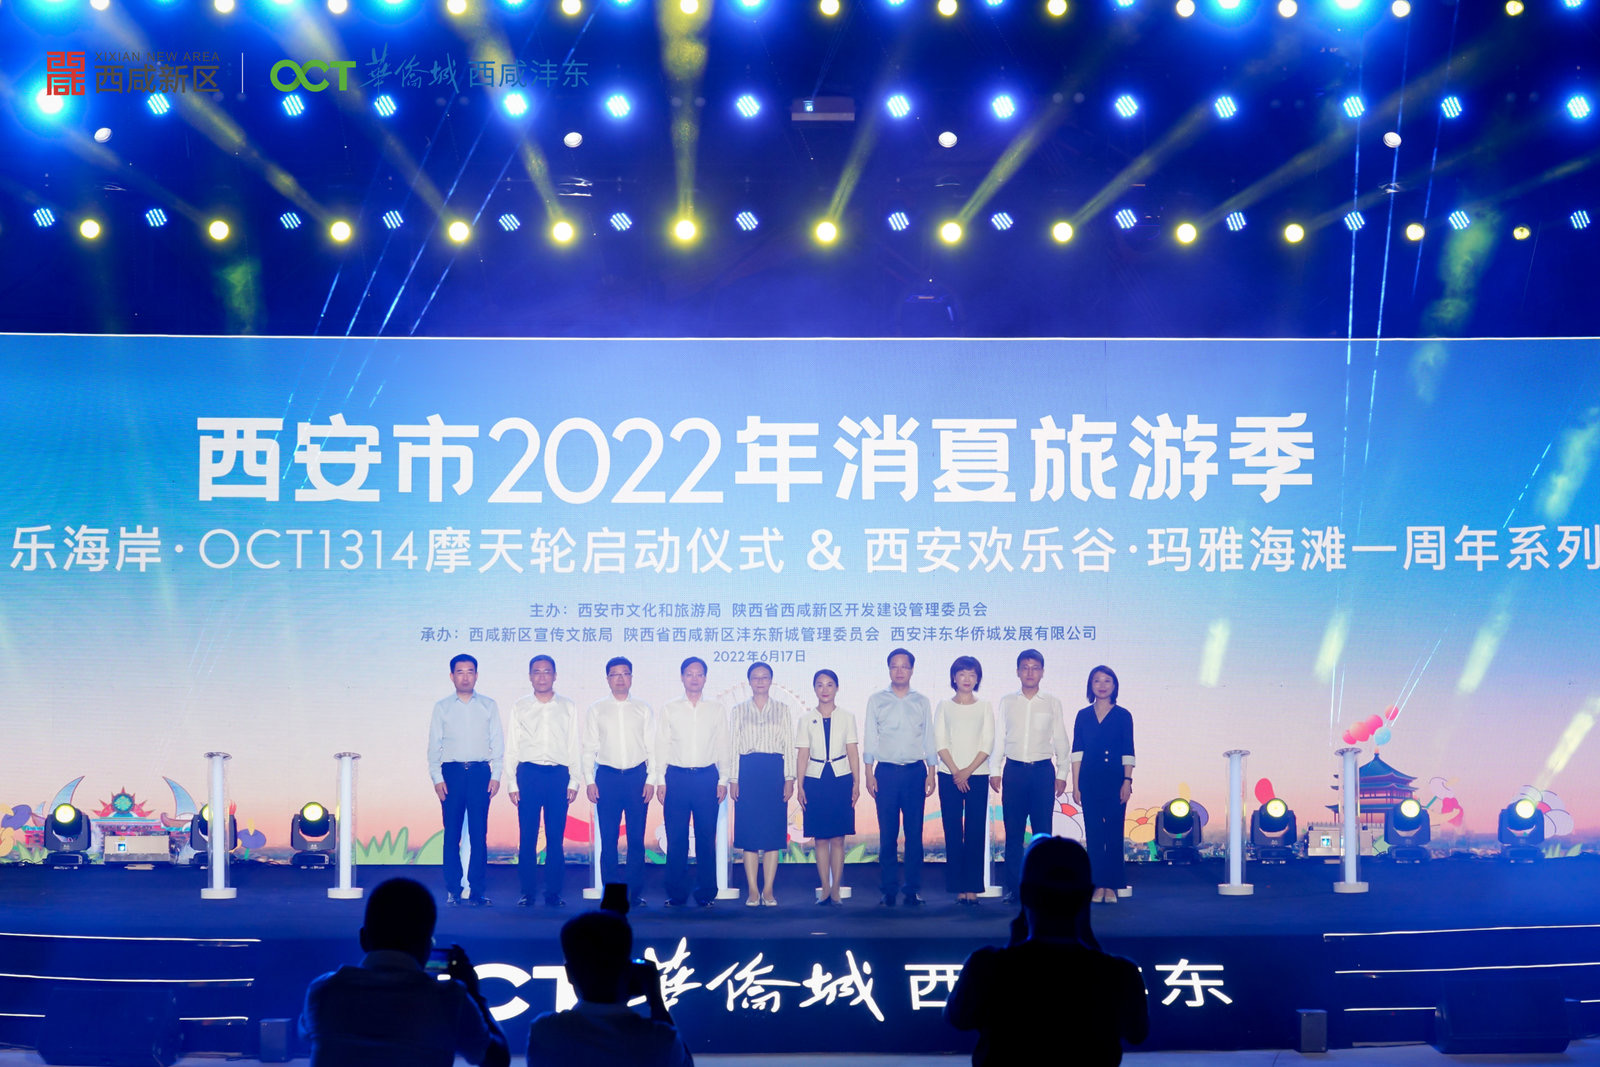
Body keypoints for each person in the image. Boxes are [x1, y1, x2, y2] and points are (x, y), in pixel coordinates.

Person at [944, 836, 1147, 1066]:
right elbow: (1137, 1033)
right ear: (1087, 895)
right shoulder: (1121, 974)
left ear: (1024, 894)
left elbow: (957, 1018)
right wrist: (1092, 945)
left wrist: (1012, 948)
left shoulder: (985, 966)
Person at [300, 876, 510, 1067]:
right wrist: (474, 994)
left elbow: (306, 1035)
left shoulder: (323, 991)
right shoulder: (450, 998)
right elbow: (497, 1060)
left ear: (363, 938)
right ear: (427, 946)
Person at [525, 908, 691, 1067]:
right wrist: (656, 1001)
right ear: (630, 970)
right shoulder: (661, 1040)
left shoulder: (545, 1031)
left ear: (569, 974)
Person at [427, 654, 504, 906]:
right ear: (452, 676)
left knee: (479, 834)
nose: (465, 677)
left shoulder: (489, 705)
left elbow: (497, 742)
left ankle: (477, 890)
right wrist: (437, 777)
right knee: (451, 834)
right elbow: (434, 745)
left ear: (477, 675)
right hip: (452, 774)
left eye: (470, 671)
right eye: (460, 672)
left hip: (481, 773)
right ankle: (453, 889)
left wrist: (496, 774)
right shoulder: (442, 707)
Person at [993, 649, 1069, 904]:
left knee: (1043, 834)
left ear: (1042, 672)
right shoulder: (1007, 701)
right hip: (1014, 771)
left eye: (1035, 668)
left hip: (1042, 772)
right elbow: (1000, 737)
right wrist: (995, 770)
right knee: (1013, 834)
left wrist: (1062, 773)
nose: (1029, 672)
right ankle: (1015, 889)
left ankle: (1043, 888)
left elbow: (1060, 739)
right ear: (1017, 671)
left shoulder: (1052, 702)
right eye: (1025, 667)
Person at [654, 656, 731, 908]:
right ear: (682, 677)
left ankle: (706, 893)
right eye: (689, 674)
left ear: (705, 678)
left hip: (707, 777)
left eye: (699, 674)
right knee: (676, 838)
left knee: (706, 838)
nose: (694, 678)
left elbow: (723, 744)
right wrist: (660, 779)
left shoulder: (716, 709)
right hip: (676, 778)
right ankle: (676, 893)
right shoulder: (670, 708)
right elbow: (661, 745)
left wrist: (723, 778)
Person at [862, 647, 937, 907]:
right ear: (889, 669)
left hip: (915, 772)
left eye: (904, 666)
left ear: (912, 670)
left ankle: (912, 890)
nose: (900, 671)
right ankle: (888, 890)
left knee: (915, 834)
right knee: (888, 835)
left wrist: (931, 772)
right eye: (894, 666)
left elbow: (929, 737)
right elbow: (870, 736)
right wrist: (868, 772)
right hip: (886, 773)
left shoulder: (921, 701)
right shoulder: (877, 700)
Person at [507, 654, 579, 908]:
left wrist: (574, 781)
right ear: (530, 676)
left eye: (546, 671)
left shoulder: (567, 706)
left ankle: (553, 893)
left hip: (558, 776)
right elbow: (512, 747)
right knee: (527, 837)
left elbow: (573, 745)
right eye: (536, 672)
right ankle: (527, 892)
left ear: (555, 675)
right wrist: (512, 782)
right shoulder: (520, 706)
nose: (541, 677)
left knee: (555, 838)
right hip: (528, 775)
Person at [583, 657, 656, 906]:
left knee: (636, 839)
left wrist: (651, 779)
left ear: (631, 677)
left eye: (625, 673)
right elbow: (588, 748)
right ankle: (613, 895)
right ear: (607, 679)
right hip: (607, 778)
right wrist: (589, 780)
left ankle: (634, 894)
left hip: (637, 777)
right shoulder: (597, 709)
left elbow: (652, 747)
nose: (620, 678)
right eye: (615, 674)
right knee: (609, 839)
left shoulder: (643, 708)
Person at [728, 660, 795, 907]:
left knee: (772, 835)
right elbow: (733, 746)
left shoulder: (783, 709)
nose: (760, 681)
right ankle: (753, 891)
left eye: (764, 677)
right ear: (749, 681)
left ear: (771, 681)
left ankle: (768, 890)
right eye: (755, 677)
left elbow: (789, 744)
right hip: (748, 772)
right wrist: (734, 779)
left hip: (774, 772)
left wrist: (789, 778)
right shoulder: (738, 710)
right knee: (749, 834)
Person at [794, 668, 860, 906]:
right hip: (815, 780)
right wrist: (800, 785)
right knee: (820, 838)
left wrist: (857, 782)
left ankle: (836, 890)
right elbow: (802, 754)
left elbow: (852, 751)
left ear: (837, 688)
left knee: (839, 838)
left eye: (829, 684)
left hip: (841, 779)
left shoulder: (847, 717)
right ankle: (824, 889)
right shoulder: (805, 719)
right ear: (814, 689)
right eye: (820, 685)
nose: (825, 689)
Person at [1071, 665, 1135, 904]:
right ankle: (1098, 885)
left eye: (1107, 680)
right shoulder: (1083, 715)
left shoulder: (1123, 715)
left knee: (1114, 833)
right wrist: (1076, 785)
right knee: (1094, 834)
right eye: (1097, 680)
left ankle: (1112, 885)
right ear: (1091, 686)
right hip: (1089, 780)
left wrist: (1127, 781)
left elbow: (1128, 750)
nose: (1102, 685)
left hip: (1116, 781)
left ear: (1114, 685)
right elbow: (1077, 752)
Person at [935, 656, 995, 905]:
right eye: (962, 674)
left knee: (974, 831)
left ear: (977, 678)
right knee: (952, 831)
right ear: (954, 677)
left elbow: (987, 743)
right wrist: (955, 772)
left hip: (977, 775)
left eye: (972, 674)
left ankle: (973, 888)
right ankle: (958, 888)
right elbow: (940, 742)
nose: (967, 679)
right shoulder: (943, 706)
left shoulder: (985, 706)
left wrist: (967, 771)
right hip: (948, 775)